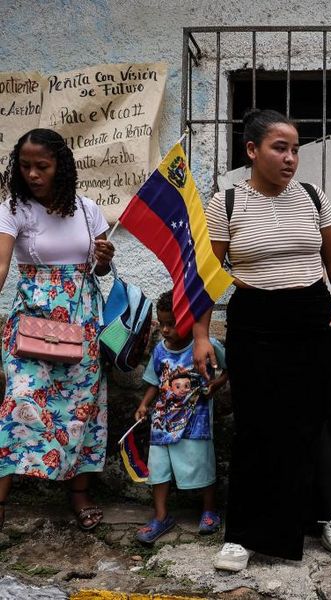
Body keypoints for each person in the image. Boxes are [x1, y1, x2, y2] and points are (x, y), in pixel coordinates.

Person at [193, 108, 331, 571]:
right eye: (279, 148)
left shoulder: (312, 196)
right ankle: (242, 535)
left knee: (320, 420)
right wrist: (201, 334)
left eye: (295, 150)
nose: (290, 158)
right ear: (252, 150)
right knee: (256, 424)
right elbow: (206, 276)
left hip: (312, 318)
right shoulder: (226, 203)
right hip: (255, 322)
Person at [0, 128, 115, 531]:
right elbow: (1, 265)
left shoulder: (87, 209)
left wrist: (105, 259)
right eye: (25, 166)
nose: (32, 174)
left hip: (82, 322)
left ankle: (79, 494)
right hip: (31, 321)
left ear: (60, 167)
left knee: (83, 408)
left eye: (42, 166)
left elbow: (101, 269)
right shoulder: (14, 209)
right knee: (19, 398)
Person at [134, 290, 227, 544]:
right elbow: (155, 382)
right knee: (158, 470)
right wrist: (144, 404)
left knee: (202, 464)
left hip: (195, 422)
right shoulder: (159, 351)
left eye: (172, 324)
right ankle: (161, 515)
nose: (165, 330)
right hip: (162, 423)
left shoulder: (205, 346)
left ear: (187, 320)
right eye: (162, 324)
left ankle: (209, 510)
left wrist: (216, 384)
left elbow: (229, 368)